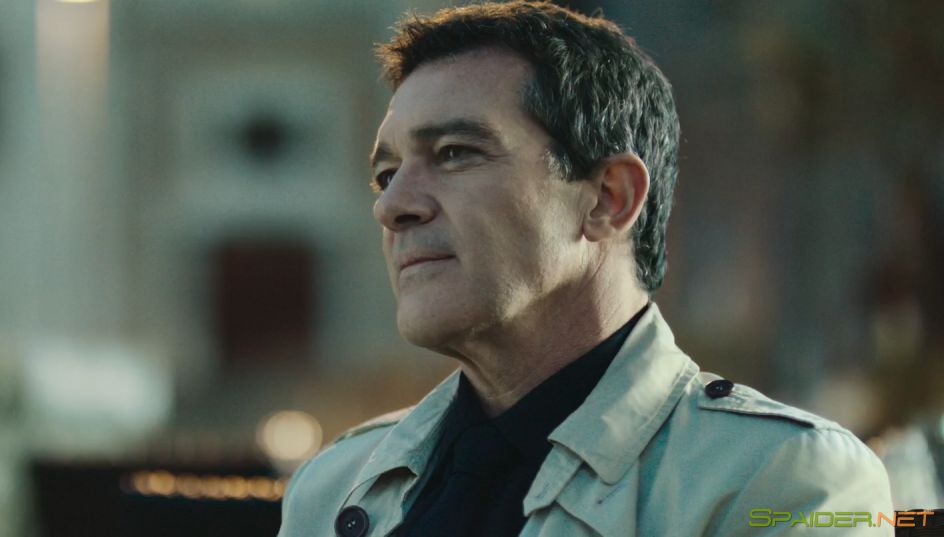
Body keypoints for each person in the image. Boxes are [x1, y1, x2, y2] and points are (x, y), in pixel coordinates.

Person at [277, 2, 894, 536]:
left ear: (609, 198)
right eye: (386, 174)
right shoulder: (335, 484)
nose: (391, 206)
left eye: (455, 153)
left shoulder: (780, 480)